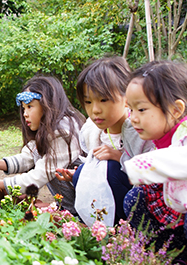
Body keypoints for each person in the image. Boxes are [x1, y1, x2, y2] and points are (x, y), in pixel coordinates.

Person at [55, 56, 154, 226]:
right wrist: (79, 174)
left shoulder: (138, 130)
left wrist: (119, 157)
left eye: (103, 100)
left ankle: (126, 231)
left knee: (111, 169)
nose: (95, 110)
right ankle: (100, 229)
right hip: (114, 194)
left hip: (144, 200)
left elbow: (154, 172)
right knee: (82, 172)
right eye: (88, 101)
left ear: (126, 97)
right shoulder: (91, 131)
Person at [0, 75, 85, 215]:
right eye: (23, 108)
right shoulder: (47, 129)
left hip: (85, 206)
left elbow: (39, 176)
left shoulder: (63, 132)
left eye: (29, 107)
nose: (25, 114)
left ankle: (72, 216)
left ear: (48, 105)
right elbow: (27, 158)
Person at [123, 60, 187, 260]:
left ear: (176, 110)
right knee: (136, 197)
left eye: (141, 110)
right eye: (131, 110)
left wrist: (139, 167)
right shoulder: (162, 136)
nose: (133, 118)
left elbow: (179, 159)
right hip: (177, 205)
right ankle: (160, 254)